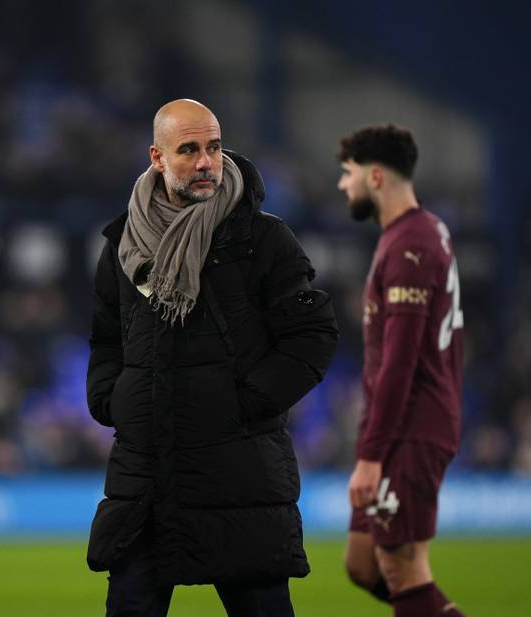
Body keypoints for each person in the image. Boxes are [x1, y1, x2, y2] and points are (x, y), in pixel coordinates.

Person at [85, 98, 338, 617]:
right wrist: (112, 400)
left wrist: (246, 402)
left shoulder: (263, 238)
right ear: (157, 157)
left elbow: (313, 335)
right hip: (146, 481)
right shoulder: (122, 244)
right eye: (190, 150)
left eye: (215, 148)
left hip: (239, 476)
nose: (206, 162)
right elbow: (107, 338)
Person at [337, 125, 466, 616]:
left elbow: (401, 360)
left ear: (375, 176)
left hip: (413, 424)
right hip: (401, 424)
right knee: (363, 564)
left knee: (401, 568)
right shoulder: (423, 231)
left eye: (347, 175)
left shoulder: (409, 246)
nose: (342, 186)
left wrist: (370, 456)